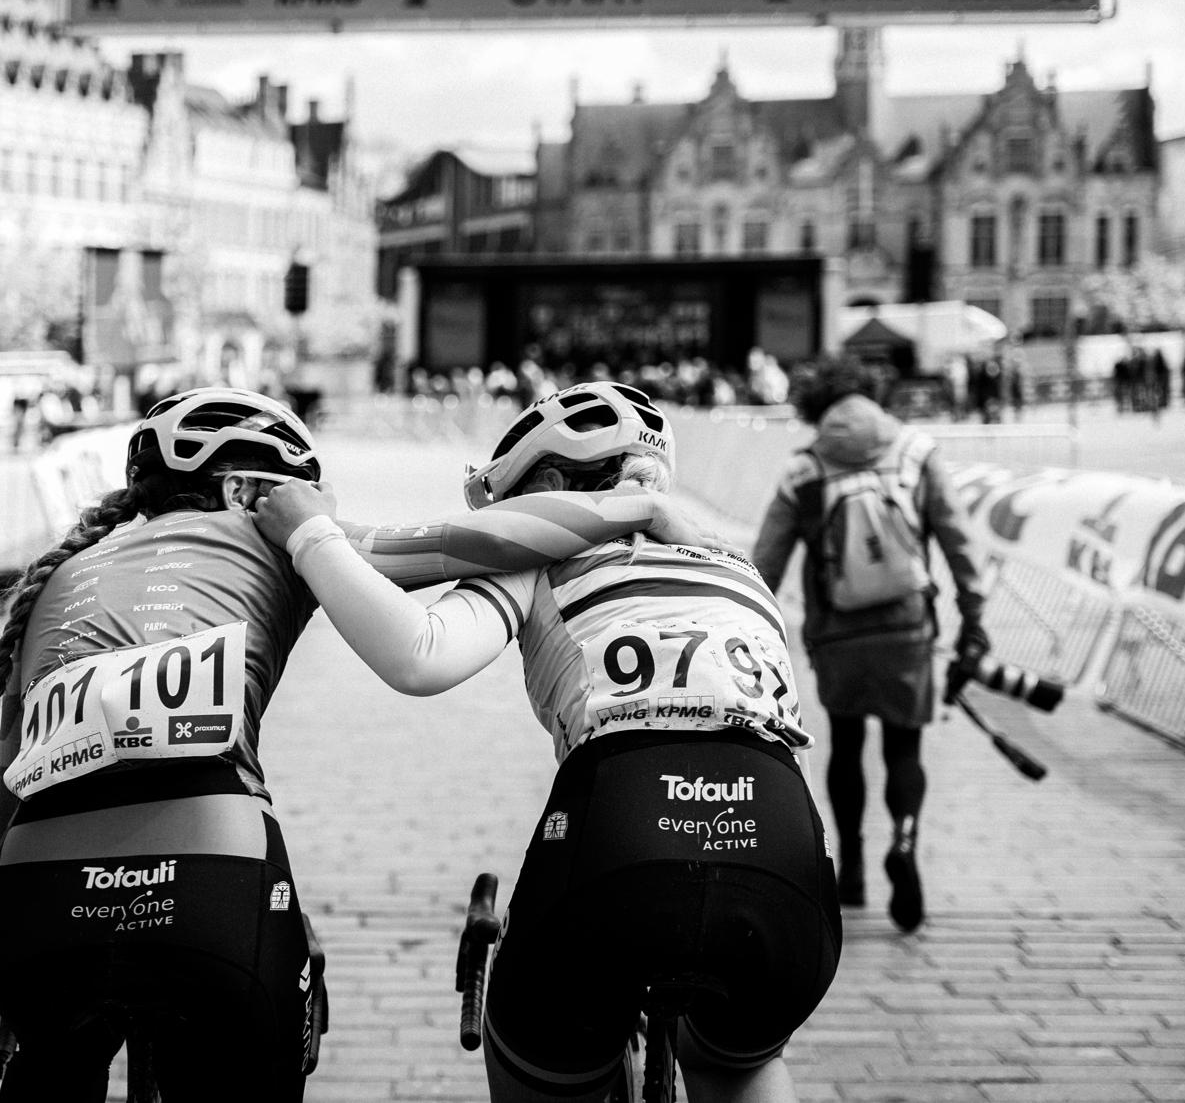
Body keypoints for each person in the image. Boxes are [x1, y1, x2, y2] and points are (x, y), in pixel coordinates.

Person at [0, 387, 723, 1102]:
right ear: (243, 488)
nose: (314, 503)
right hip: (205, 880)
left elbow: (5, 799)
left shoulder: (56, 578)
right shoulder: (273, 530)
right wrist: (644, 508)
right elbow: (473, 541)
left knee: (52, 1056)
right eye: (305, 488)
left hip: (33, 902)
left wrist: (19, 964)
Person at [254, 382, 841, 1103]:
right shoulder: (731, 562)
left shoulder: (534, 556)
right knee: (738, 1064)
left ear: (555, 485)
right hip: (780, 836)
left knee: (538, 1065)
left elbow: (419, 653)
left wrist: (311, 536)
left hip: (621, 832)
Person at [751, 357, 987, 934]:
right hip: (908, 626)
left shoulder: (803, 470)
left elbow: (766, 564)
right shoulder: (916, 453)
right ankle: (904, 841)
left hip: (838, 630)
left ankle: (850, 868)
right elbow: (959, 542)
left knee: (848, 745)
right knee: (905, 750)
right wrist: (974, 617)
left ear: (814, 405)